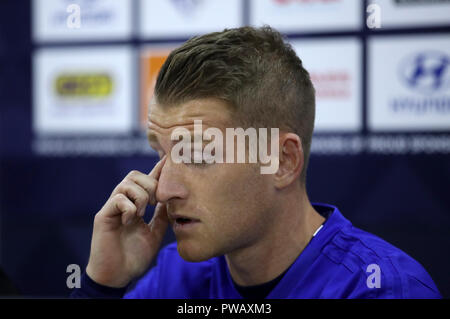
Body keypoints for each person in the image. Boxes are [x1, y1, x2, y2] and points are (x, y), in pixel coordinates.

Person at [71, 26, 441, 299]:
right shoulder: (178, 276)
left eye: (198, 154)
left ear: (281, 161)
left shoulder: (381, 289)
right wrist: (102, 285)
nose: (163, 190)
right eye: (161, 154)